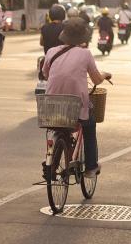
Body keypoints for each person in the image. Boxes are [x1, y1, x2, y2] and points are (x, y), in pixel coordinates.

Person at [43, 19, 112, 178]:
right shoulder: (85, 54)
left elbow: (46, 74)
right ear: (83, 38)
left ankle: (51, 158)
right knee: (89, 125)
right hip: (76, 106)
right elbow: (96, 80)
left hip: (51, 104)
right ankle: (91, 167)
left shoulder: (52, 52)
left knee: (56, 127)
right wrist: (105, 74)